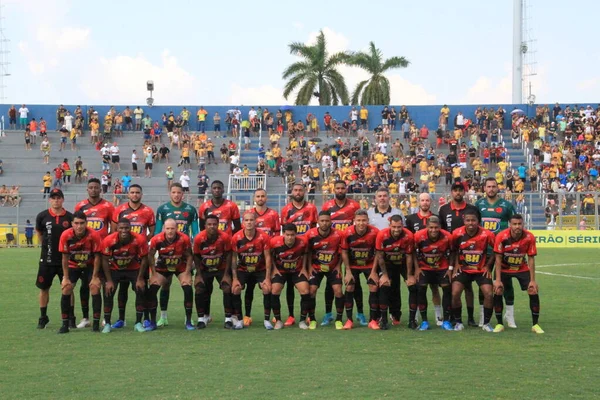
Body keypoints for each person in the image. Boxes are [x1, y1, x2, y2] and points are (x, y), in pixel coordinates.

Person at [153, 183, 199, 327]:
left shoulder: (190, 210)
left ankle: (188, 318)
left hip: (183, 254)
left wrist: (194, 255)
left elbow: (196, 232)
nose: (176, 195)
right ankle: (163, 317)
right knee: (165, 285)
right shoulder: (162, 209)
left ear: (183, 194)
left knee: (186, 284)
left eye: (179, 192)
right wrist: (155, 254)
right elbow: (158, 232)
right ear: (170, 193)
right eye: (174, 192)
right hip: (165, 254)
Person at [475, 177, 518, 327]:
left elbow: (514, 225)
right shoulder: (478, 204)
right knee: (484, 283)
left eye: (494, 186)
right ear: (484, 188)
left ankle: (510, 315)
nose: (491, 189)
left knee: (506, 282)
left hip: (502, 251)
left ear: (497, 188)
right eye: (488, 186)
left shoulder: (506, 205)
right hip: (483, 251)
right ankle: (482, 316)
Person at [111, 184, 156, 328]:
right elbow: (113, 230)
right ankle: (121, 319)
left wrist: (143, 243)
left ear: (141, 194)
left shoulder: (148, 211)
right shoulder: (119, 210)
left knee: (143, 287)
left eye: (137, 192)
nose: (135, 195)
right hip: (122, 256)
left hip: (140, 256)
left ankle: (146, 318)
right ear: (128, 194)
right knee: (122, 288)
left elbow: (152, 230)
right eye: (132, 192)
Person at [73, 178, 115, 328]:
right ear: (87, 189)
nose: (93, 190)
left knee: (105, 284)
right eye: (91, 187)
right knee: (85, 285)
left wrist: (107, 244)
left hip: (102, 252)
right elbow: (75, 226)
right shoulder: (80, 206)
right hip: (85, 252)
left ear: (100, 189)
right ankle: (85, 318)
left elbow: (114, 228)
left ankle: (105, 317)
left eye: (96, 187)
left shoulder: (108, 206)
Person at [198, 180, 242, 322]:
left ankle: (233, 315)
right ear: (211, 190)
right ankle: (206, 315)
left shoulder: (231, 206)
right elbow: (202, 228)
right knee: (206, 287)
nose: (217, 190)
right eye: (214, 188)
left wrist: (226, 239)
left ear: (223, 190)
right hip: (209, 251)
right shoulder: (204, 206)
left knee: (228, 285)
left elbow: (237, 227)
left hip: (226, 251)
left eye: (219, 188)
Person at [438, 182, 481, 326]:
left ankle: (470, 318)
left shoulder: (472, 209)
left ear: (464, 192)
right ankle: (452, 317)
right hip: (450, 252)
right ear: (451, 192)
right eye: (455, 190)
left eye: (460, 190)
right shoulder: (443, 209)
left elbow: (478, 227)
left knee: (468, 286)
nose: (458, 193)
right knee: (451, 286)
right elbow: (441, 231)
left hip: (469, 251)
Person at [493, 214, 543, 334]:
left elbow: (531, 259)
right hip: (504, 269)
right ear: (510, 224)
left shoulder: (529, 237)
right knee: (498, 290)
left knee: (533, 290)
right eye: (514, 224)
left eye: (519, 224)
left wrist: (532, 280)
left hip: (521, 268)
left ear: (523, 224)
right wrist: (498, 280)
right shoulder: (502, 236)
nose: (517, 226)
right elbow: (498, 259)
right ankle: (499, 323)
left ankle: (535, 324)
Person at [100, 218, 149, 333]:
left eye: (126, 228)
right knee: (108, 291)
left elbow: (144, 259)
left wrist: (140, 278)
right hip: (114, 270)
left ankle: (138, 322)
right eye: (121, 228)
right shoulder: (109, 240)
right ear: (117, 228)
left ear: (130, 228)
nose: (124, 230)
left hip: (133, 269)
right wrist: (108, 280)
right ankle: (107, 323)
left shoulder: (139, 239)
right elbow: (104, 260)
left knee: (140, 289)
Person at [57, 211, 103, 333]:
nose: (79, 226)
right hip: (73, 266)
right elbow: (64, 258)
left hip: (89, 265)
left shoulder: (93, 235)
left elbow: (98, 257)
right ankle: (65, 324)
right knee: (66, 288)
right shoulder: (66, 235)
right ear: (72, 223)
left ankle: (96, 325)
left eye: (82, 223)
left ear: (86, 223)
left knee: (94, 287)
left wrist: (95, 277)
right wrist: (65, 277)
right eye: (76, 223)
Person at [450, 210, 496, 332]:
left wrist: (488, 266)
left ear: (478, 222)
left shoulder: (487, 234)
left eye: (473, 220)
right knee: (455, 293)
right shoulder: (457, 233)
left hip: (481, 270)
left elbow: (497, 250)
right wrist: (455, 265)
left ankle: (486, 323)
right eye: (468, 220)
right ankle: (458, 322)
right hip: (463, 269)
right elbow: (453, 250)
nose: (470, 223)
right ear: (464, 221)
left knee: (489, 294)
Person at [279, 183, 318, 326]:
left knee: (308, 284)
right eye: (295, 190)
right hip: (291, 252)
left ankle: (308, 314)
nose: (298, 192)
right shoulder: (286, 210)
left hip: (307, 252)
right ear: (291, 192)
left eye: (301, 190)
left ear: (305, 191)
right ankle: (290, 315)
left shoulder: (312, 208)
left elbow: (314, 230)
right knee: (289, 285)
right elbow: (285, 232)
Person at [35, 189, 73, 329]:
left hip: (65, 260)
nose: (56, 200)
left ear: (63, 200)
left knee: (68, 287)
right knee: (44, 288)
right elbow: (39, 232)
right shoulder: (42, 216)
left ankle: (70, 317)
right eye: (53, 198)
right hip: (47, 260)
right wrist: (45, 248)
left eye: (58, 198)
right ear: (49, 200)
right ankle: (43, 316)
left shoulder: (69, 217)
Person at [146, 219, 194, 331]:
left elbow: (189, 256)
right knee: (153, 288)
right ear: (164, 229)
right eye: (168, 228)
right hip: (163, 267)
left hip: (180, 267)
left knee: (187, 287)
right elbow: (150, 256)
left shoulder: (184, 239)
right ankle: (154, 321)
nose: (170, 231)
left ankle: (188, 321)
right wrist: (153, 273)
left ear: (177, 229)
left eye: (172, 228)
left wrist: (187, 272)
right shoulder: (156, 239)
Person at [243, 189, 281, 327]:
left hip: (267, 257)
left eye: (263, 196)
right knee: (249, 288)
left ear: (266, 197)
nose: (260, 198)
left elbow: (276, 235)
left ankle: (272, 316)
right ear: (254, 198)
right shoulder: (249, 215)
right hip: (251, 257)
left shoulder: (273, 214)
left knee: (269, 287)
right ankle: (247, 316)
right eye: (258, 196)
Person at [405, 193, 444, 326]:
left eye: (427, 200)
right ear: (418, 202)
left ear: (431, 202)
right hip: (419, 262)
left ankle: (439, 316)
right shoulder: (411, 218)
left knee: (435, 288)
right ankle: (415, 316)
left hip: (435, 262)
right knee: (417, 289)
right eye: (422, 200)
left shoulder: (437, 218)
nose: (425, 202)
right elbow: (408, 240)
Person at [372, 215, 415, 330]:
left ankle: (412, 320)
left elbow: (409, 256)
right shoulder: (382, 235)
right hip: (387, 264)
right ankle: (384, 320)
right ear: (389, 225)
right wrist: (385, 275)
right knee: (384, 285)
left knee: (413, 285)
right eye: (394, 227)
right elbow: (380, 256)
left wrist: (410, 275)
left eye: (399, 227)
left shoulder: (408, 235)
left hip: (402, 263)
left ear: (403, 225)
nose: (396, 230)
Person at [230, 212, 272, 330]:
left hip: (260, 269)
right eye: (246, 220)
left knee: (267, 288)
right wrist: (234, 278)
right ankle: (239, 320)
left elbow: (268, 257)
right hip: (243, 269)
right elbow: (233, 259)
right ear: (243, 222)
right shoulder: (236, 237)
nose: (249, 222)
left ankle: (267, 320)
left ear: (256, 221)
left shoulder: (263, 236)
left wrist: (268, 278)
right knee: (236, 288)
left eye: (251, 220)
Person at [412, 216, 454, 331]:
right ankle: (424, 321)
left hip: (442, 267)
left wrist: (450, 269)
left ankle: (446, 320)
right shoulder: (418, 236)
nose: (433, 230)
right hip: (424, 268)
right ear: (427, 227)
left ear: (440, 227)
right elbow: (412, 252)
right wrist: (416, 268)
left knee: (447, 289)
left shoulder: (447, 236)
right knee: (421, 289)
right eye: (431, 227)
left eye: (436, 227)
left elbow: (453, 252)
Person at [305, 211, 345, 329]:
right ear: (317, 221)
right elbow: (307, 253)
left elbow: (342, 252)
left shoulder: (338, 234)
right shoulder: (310, 234)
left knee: (338, 290)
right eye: (322, 221)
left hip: (333, 267)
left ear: (331, 221)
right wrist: (309, 267)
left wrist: (338, 266)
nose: (324, 223)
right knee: (311, 290)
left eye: (327, 221)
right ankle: (312, 319)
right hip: (316, 268)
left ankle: (338, 319)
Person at [340, 210, 379, 329]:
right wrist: (347, 271)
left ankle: (373, 320)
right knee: (349, 286)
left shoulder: (375, 232)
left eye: (363, 220)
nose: (361, 223)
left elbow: (378, 252)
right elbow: (344, 252)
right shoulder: (347, 233)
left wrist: (373, 272)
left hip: (369, 264)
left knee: (373, 286)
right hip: (353, 265)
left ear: (368, 221)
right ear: (354, 221)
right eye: (358, 220)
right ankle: (349, 320)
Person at [192, 215, 233, 329]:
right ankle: (202, 318)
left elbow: (229, 254)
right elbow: (196, 255)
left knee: (227, 287)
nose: (212, 226)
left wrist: (226, 274)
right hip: (205, 269)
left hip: (221, 268)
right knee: (200, 287)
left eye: (214, 224)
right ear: (205, 226)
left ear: (218, 225)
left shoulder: (224, 237)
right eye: (209, 224)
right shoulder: (199, 238)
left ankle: (228, 319)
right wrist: (198, 275)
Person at [267, 224, 310, 330]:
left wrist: (304, 268)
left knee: (305, 290)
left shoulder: (302, 242)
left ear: (296, 234)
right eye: (287, 235)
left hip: (297, 271)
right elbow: (269, 255)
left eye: (292, 235)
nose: (290, 237)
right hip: (281, 271)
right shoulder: (274, 242)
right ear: (283, 234)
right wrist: (274, 269)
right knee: (275, 290)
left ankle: (302, 320)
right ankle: (278, 321)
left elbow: (305, 254)